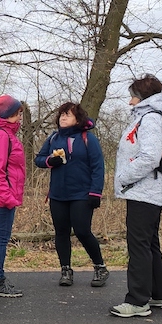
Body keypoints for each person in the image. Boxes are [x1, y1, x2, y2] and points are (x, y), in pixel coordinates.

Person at [110, 74, 162, 318]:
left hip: (144, 191)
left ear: (144, 97)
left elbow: (149, 157)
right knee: (149, 245)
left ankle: (137, 301)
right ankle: (160, 294)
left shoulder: (150, 119)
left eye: (133, 96)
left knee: (138, 246)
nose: (130, 102)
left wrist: (124, 177)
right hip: (146, 191)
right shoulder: (148, 117)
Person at [34, 102, 109, 287]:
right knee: (61, 232)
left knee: (82, 231)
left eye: (67, 114)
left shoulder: (87, 138)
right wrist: (51, 161)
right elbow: (38, 159)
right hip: (58, 194)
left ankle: (100, 267)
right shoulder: (53, 137)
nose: (63, 118)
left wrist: (95, 192)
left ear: (78, 118)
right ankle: (65, 270)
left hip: (82, 194)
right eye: (61, 115)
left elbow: (98, 167)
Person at [0, 95, 27, 298]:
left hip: (3, 195)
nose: (20, 117)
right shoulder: (1, 136)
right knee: (0, 239)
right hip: (2, 196)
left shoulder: (6, 133)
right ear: (9, 115)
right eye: (18, 113)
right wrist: (8, 198)